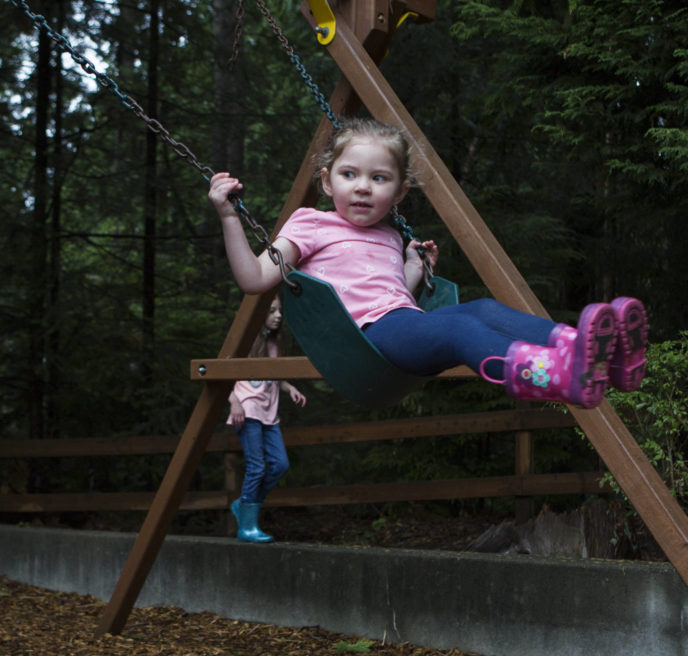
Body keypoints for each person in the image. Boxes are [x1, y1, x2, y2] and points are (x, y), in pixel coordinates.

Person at [208, 117, 648, 408]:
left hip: (402, 324)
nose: (363, 187)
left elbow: (394, 293)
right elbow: (255, 278)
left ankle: (597, 357)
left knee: (482, 309)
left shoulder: (388, 233)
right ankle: (553, 375)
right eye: (349, 175)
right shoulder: (309, 224)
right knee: (459, 329)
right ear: (327, 181)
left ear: (399, 192)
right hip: (367, 341)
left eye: (379, 178)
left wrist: (415, 268)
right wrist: (230, 217)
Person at [227, 295, 307, 543]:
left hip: (270, 414)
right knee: (257, 466)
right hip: (247, 410)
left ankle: (243, 504)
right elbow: (222, 374)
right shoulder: (244, 342)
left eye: (279, 311)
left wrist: (289, 387)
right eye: (272, 311)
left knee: (280, 464)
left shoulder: (276, 343)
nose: (278, 315)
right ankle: (247, 527)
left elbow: (274, 377)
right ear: (259, 314)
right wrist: (234, 400)